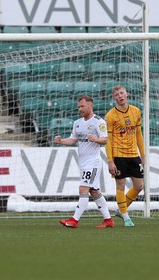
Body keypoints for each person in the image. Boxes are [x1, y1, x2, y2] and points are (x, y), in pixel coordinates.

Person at [55, 95, 114, 229]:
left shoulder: (98, 122)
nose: (80, 109)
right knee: (95, 192)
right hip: (83, 163)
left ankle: (74, 220)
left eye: (82, 106)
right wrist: (61, 141)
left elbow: (105, 140)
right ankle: (108, 220)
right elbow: (73, 140)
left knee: (83, 189)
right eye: (78, 107)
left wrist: (94, 139)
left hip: (93, 162)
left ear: (90, 105)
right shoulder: (77, 123)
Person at [105, 85, 145, 227]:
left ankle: (120, 210)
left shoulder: (136, 111)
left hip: (133, 155)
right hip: (119, 155)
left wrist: (143, 155)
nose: (120, 96)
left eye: (121, 93)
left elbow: (138, 134)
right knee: (120, 185)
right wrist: (110, 161)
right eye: (117, 95)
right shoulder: (110, 116)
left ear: (126, 94)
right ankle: (126, 217)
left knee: (139, 186)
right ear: (114, 98)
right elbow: (108, 140)